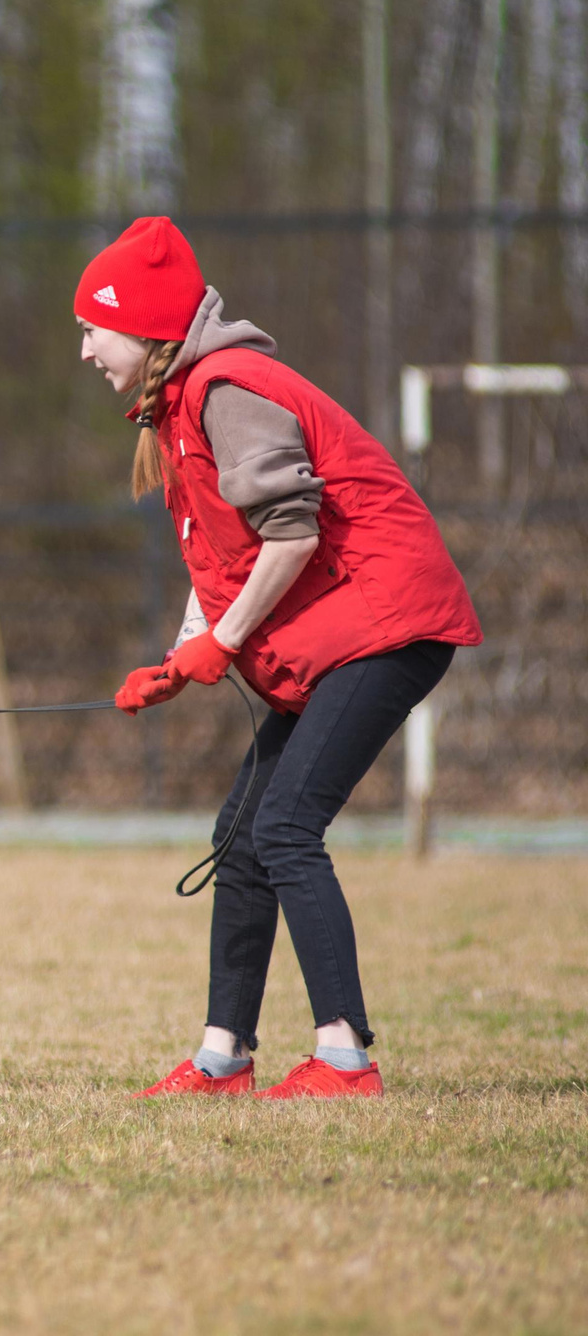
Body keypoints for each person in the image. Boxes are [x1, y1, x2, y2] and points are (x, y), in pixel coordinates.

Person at [77, 217, 481, 1099]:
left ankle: (344, 1058)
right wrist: (183, 654)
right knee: (242, 835)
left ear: (143, 330)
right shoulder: (179, 406)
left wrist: (220, 645)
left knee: (287, 825)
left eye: (93, 328)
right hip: (337, 634)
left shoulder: (227, 388)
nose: (83, 348)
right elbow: (223, 559)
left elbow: (292, 534)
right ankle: (224, 1057)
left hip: (390, 625)